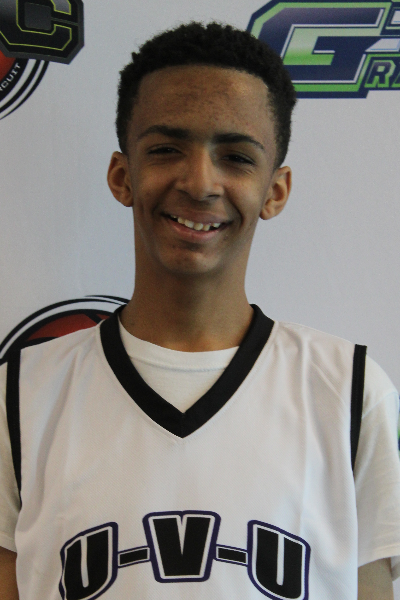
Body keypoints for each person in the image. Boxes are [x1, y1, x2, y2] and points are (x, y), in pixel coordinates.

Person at [0, 21, 399, 600]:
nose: (200, 182)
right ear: (122, 175)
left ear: (275, 190)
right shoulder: (20, 395)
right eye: (166, 149)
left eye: (236, 157)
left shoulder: (351, 394)